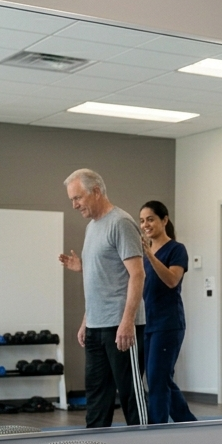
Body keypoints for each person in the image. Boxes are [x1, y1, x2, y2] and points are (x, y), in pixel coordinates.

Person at [59, 169, 146, 428]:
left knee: (131, 395)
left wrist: (127, 321)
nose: (74, 205)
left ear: (96, 191)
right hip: (97, 326)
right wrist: (87, 320)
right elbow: (101, 278)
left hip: (121, 327)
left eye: (78, 198)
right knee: (97, 397)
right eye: (72, 200)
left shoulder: (121, 223)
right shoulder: (91, 227)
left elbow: (137, 275)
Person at [140, 201, 198, 425]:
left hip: (169, 323)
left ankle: (158, 428)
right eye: (142, 220)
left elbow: (172, 280)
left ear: (164, 220)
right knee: (160, 378)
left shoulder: (176, 249)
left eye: (151, 219)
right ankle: (188, 423)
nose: (146, 224)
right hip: (148, 323)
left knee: (157, 379)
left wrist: (151, 256)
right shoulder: (144, 254)